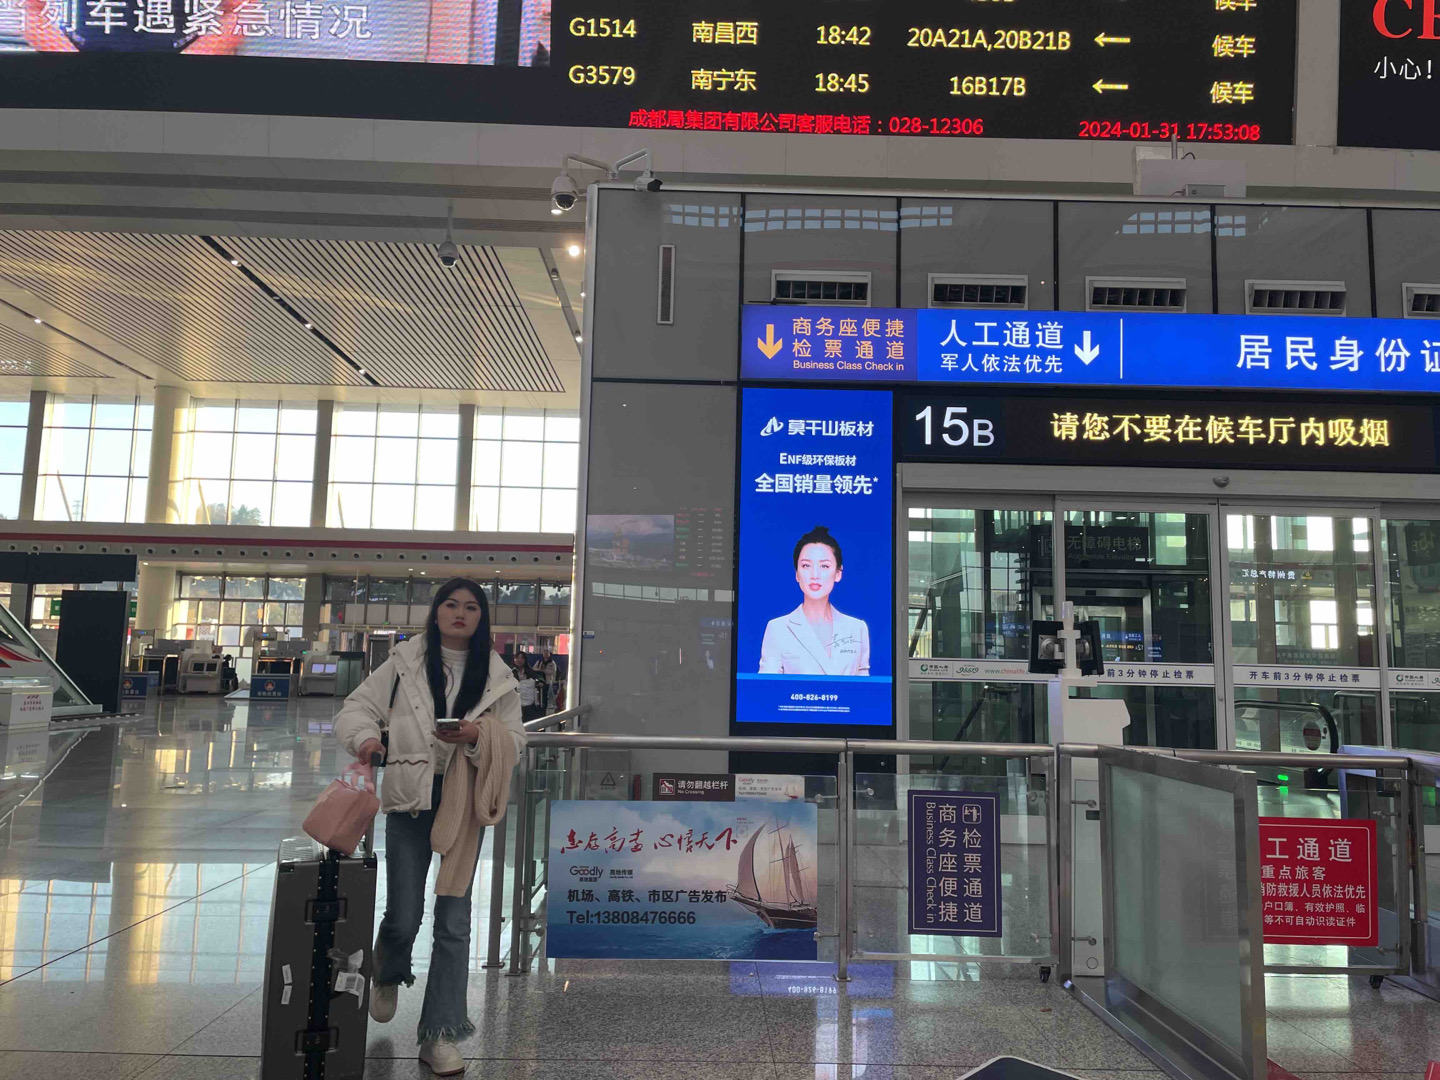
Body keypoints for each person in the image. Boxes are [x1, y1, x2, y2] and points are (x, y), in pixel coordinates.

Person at [334, 577, 524, 1076]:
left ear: (482, 618)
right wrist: (366, 740)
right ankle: (388, 967)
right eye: (451, 604)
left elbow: (515, 741)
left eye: (471, 607)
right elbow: (356, 708)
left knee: (454, 921)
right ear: (436, 612)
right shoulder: (404, 662)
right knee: (404, 912)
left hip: (467, 801)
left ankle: (440, 1033)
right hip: (410, 798)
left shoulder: (497, 675)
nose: (460, 613)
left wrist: (478, 735)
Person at [758, 525, 870, 676]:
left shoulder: (857, 629)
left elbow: (863, 687)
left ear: (838, 573)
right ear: (797, 574)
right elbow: (768, 687)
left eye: (824, 566)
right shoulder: (778, 629)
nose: (815, 575)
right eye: (806, 565)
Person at [512, 652, 543, 722]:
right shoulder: (510, 672)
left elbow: (539, 678)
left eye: (522, 658)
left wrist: (539, 682)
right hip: (515, 704)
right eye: (517, 658)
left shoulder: (529, 671)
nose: (519, 660)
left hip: (529, 704)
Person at [537, 647, 559, 712]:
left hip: (548, 681)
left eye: (547, 653)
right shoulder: (540, 662)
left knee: (547, 694)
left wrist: (544, 671)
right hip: (540, 680)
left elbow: (553, 672)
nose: (546, 655)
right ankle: (541, 706)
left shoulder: (552, 663)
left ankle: (546, 706)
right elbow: (534, 668)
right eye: (544, 653)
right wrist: (539, 670)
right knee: (541, 694)